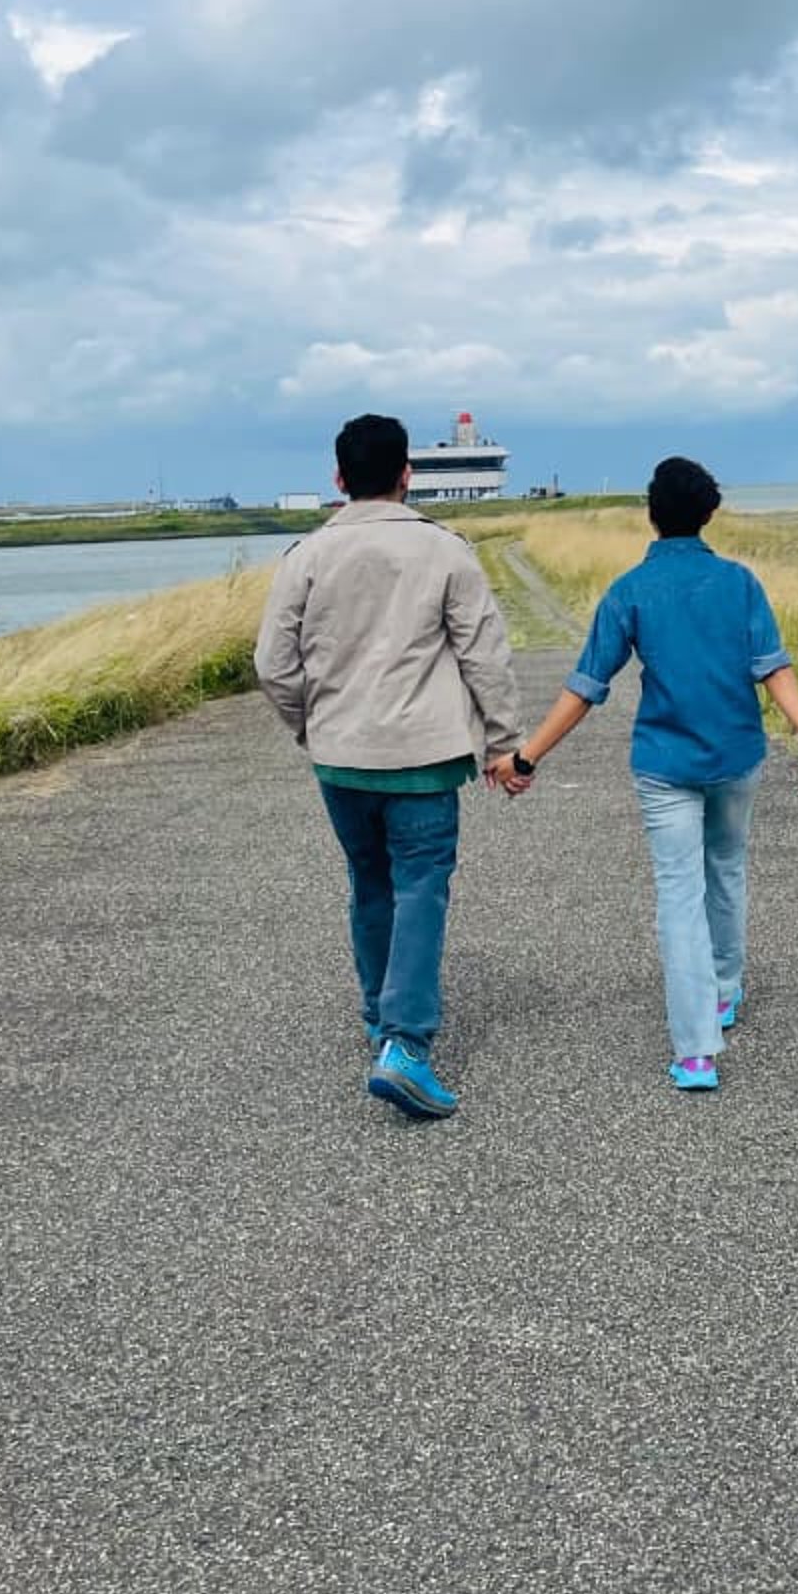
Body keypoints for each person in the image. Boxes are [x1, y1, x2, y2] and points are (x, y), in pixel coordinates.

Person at [496, 455, 798, 1090]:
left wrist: (525, 757)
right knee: (726, 869)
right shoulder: (739, 583)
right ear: (709, 513)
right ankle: (724, 990)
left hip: (665, 764)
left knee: (680, 895)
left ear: (651, 515)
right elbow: (773, 667)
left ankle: (697, 1052)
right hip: (736, 753)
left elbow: (586, 686)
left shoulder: (630, 590)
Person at [254, 412, 525, 1121]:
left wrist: (310, 725)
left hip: (341, 757)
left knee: (369, 883)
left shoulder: (305, 556)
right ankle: (405, 1045)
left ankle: (380, 1019)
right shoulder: (445, 550)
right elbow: (483, 655)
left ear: (338, 477)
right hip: (425, 755)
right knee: (421, 889)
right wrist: (503, 744)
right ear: (408, 474)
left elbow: (273, 665)